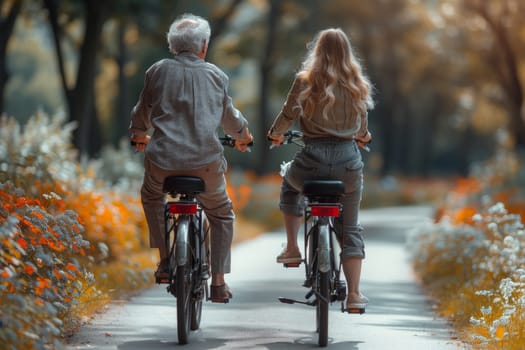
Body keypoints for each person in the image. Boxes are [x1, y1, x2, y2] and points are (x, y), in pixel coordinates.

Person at [129, 13, 253, 302]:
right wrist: (244, 137)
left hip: (162, 161)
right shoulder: (217, 75)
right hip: (205, 164)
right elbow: (231, 119)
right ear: (204, 47)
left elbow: (142, 110)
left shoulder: (157, 71)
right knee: (221, 213)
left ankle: (164, 260)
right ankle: (219, 282)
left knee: (151, 196)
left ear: (173, 47)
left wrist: (137, 134)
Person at [267, 28, 373, 311]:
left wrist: (275, 134)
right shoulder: (357, 83)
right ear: (347, 53)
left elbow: (289, 113)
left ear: (318, 50)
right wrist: (362, 136)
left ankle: (291, 248)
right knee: (349, 228)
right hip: (348, 163)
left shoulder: (305, 81)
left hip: (311, 161)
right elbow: (362, 127)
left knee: (290, 184)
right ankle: (354, 296)